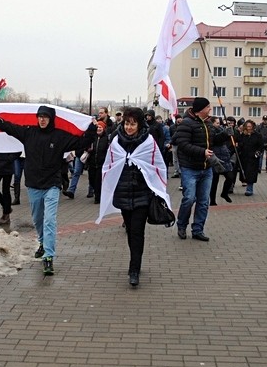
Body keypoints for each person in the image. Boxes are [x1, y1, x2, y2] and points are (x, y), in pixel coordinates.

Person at [0, 104, 97, 276]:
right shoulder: (28, 132)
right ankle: (42, 243)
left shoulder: (59, 136)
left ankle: (48, 257)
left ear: (51, 119)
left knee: (50, 220)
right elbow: (7, 127)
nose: (42, 119)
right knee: (38, 219)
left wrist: (93, 128)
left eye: (45, 117)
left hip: (52, 184)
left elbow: (82, 142)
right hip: (34, 184)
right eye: (40, 116)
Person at [96, 107, 170, 287]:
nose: (129, 127)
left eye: (133, 124)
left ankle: (134, 268)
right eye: (127, 123)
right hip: (122, 192)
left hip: (142, 193)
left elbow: (158, 165)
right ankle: (135, 259)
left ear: (139, 124)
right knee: (130, 229)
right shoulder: (116, 140)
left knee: (137, 231)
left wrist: (156, 186)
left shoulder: (148, 142)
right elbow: (109, 163)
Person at [172, 97, 215, 242]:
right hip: (190, 168)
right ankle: (182, 225)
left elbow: (212, 141)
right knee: (189, 199)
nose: (210, 109)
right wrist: (202, 152)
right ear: (201, 109)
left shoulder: (208, 123)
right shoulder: (186, 123)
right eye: (208, 106)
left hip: (206, 168)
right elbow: (183, 144)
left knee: (203, 202)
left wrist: (226, 135)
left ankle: (198, 229)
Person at [0, 150, 20, 226]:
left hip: (7, 166)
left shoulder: (10, 138)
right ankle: (7, 207)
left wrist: (9, 158)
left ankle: (6, 214)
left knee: (5, 190)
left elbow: (18, 150)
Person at [209, 118, 235, 205]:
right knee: (214, 180)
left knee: (230, 177)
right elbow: (215, 140)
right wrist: (225, 134)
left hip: (224, 155)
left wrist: (230, 133)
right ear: (212, 123)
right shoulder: (210, 130)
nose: (219, 124)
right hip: (215, 155)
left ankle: (224, 193)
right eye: (217, 123)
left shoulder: (221, 129)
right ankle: (212, 200)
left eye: (219, 123)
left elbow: (226, 138)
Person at [236, 120, 265, 196]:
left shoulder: (257, 135)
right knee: (244, 172)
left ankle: (249, 189)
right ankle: (244, 182)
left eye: (250, 126)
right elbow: (239, 144)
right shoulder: (242, 135)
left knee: (251, 173)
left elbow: (261, 146)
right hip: (244, 157)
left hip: (253, 158)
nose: (248, 128)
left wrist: (257, 153)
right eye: (247, 126)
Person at [87, 121, 110, 204]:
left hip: (101, 164)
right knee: (91, 179)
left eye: (100, 127)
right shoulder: (93, 137)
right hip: (92, 163)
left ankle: (98, 197)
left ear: (103, 129)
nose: (99, 129)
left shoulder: (106, 138)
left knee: (98, 181)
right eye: (98, 127)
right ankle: (97, 193)